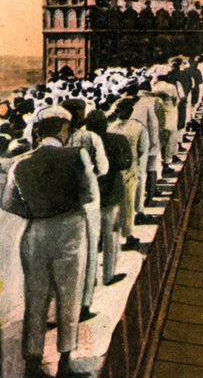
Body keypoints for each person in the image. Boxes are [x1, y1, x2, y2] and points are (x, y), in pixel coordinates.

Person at [1, 106, 96, 378]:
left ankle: (33, 365)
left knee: (36, 300)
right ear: (64, 129)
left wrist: (34, 211)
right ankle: (65, 363)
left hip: (36, 233)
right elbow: (89, 194)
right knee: (69, 297)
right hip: (70, 230)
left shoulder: (21, 163)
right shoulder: (77, 156)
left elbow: (9, 203)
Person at [61, 98, 108, 321]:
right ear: (82, 114)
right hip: (88, 202)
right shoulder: (91, 137)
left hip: (61, 202)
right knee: (88, 253)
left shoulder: (57, 140)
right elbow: (103, 168)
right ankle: (84, 305)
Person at [85, 109, 129, 285]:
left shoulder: (82, 145)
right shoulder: (117, 140)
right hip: (111, 195)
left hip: (90, 197)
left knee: (91, 240)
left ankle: (90, 278)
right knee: (111, 237)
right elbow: (127, 162)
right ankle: (108, 275)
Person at [108, 98, 148, 251]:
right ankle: (128, 236)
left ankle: (112, 237)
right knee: (128, 204)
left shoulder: (111, 128)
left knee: (114, 205)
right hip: (130, 168)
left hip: (114, 169)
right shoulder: (138, 127)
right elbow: (142, 149)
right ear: (131, 111)